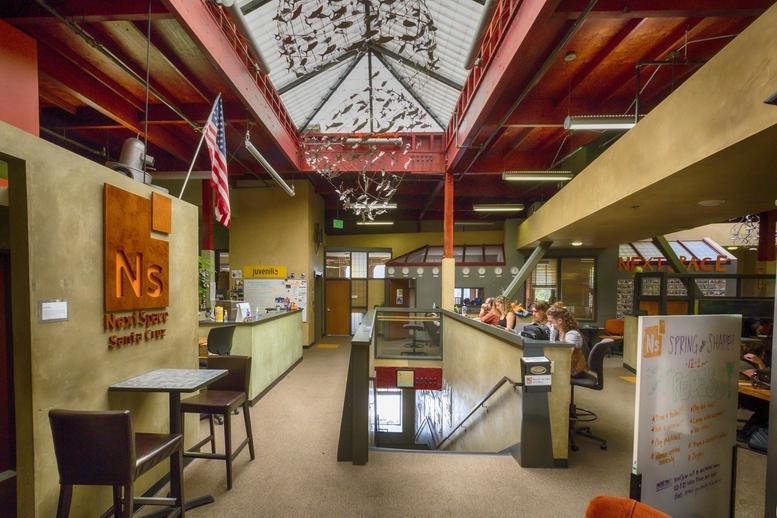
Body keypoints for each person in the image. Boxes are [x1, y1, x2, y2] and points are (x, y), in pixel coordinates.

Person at [547, 305, 587, 377]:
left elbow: (566, 356)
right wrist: (552, 334)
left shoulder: (572, 334)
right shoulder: (558, 332)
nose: (549, 324)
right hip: (565, 367)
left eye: (550, 321)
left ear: (559, 321)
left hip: (575, 371)